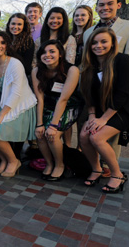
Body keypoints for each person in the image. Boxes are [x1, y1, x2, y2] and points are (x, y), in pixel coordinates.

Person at [79, 28, 129, 193]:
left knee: (97, 138)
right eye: (95, 42)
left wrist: (103, 119)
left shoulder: (122, 60)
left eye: (104, 41)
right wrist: (92, 116)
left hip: (125, 108)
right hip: (102, 109)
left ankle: (117, 175)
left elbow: (123, 93)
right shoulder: (90, 66)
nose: (99, 45)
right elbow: (88, 94)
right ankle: (96, 169)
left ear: (112, 44)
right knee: (84, 136)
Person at [0, 31, 37, 178]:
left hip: (21, 105)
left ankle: (13, 161)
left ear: (7, 46)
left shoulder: (15, 63)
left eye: (2, 42)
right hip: (4, 104)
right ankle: (4, 160)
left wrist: (1, 115)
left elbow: (16, 93)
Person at [31, 40, 82, 181]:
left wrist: (53, 126)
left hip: (69, 105)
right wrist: (39, 124)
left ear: (60, 54)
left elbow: (64, 99)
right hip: (48, 105)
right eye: (44, 52)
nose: (47, 55)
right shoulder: (36, 70)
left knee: (52, 136)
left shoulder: (72, 70)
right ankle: (49, 163)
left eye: (52, 51)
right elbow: (40, 99)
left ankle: (60, 165)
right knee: (40, 134)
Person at [83, 0, 129, 71]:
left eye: (110, 4)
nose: (105, 8)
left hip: (116, 79)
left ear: (118, 5)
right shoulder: (87, 32)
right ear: (96, 8)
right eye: (101, 5)